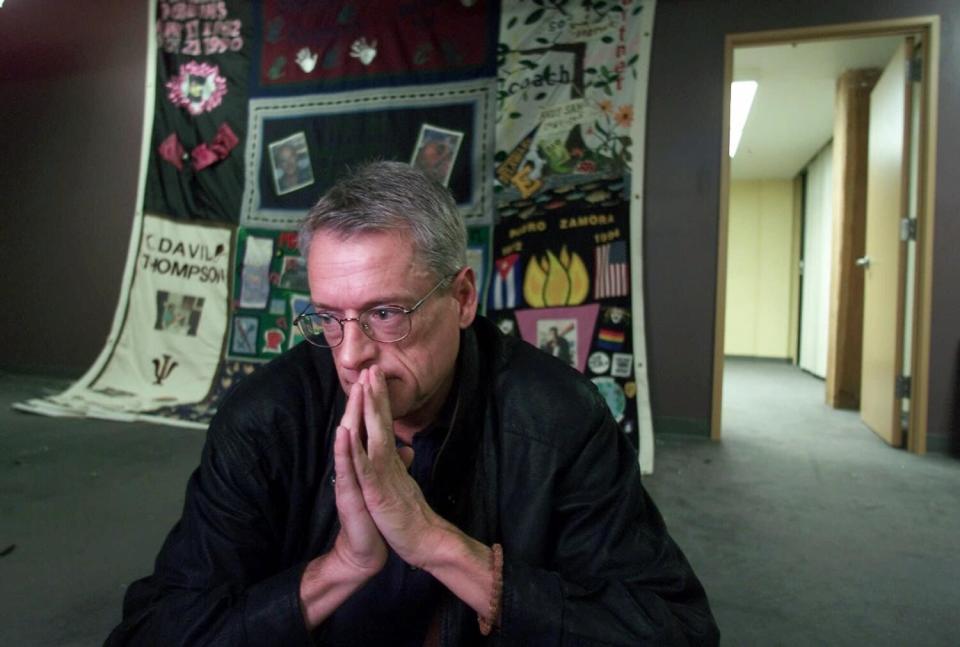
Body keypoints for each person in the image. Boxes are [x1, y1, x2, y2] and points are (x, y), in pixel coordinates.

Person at [107, 161, 719, 646]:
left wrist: (436, 543)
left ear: (461, 297)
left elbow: (677, 630)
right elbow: (152, 629)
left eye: (384, 313)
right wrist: (344, 564)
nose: (350, 356)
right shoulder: (264, 419)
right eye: (328, 318)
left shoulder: (558, 417)